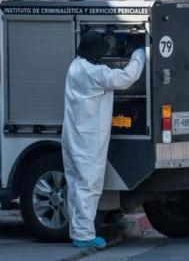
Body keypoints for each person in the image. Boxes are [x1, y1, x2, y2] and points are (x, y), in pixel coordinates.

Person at [62, 32, 145, 249]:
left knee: (75, 185)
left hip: (72, 135)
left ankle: (76, 230)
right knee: (89, 186)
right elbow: (127, 78)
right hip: (88, 139)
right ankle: (84, 235)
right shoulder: (95, 72)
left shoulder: (75, 66)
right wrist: (140, 53)